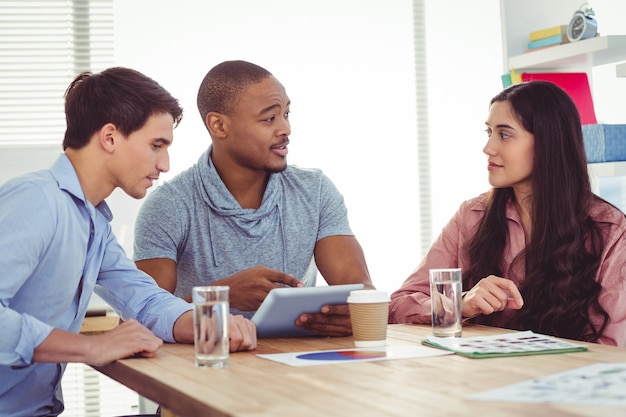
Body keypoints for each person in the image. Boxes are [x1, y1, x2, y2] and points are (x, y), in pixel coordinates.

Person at [0, 67, 257, 417]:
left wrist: (210, 324)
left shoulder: (92, 222)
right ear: (109, 137)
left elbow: (145, 299)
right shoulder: (39, 201)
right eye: (156, 146)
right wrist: (90, 348)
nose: (164, 164)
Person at [133, 60, 374, 337]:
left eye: (286, 114)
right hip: (207, 369)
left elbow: (361, 289)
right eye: (270, 118)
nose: (285, 129)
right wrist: (221, 296)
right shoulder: (169, 205)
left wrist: (354, 313)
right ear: (219, 125)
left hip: (298, 365)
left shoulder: (315, 191)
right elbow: (147, 317)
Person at [389, 80, 626, 347]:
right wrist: (460, 303)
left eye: (504, 134)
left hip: (568, 381)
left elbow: (611, 346)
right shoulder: (472, 216)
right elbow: (398, 305)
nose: (488, 148)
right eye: (488, 132)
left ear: (548, 143)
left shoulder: (609, 228)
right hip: (481, 377)